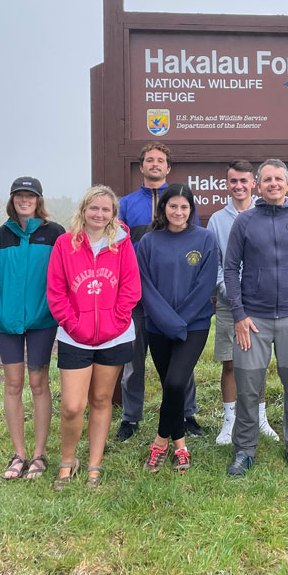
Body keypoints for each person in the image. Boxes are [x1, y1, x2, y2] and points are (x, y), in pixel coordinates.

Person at [223, 158, 288, 478]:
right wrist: (238, 314)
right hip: (253, 320)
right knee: (249, 386)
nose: (273, 184)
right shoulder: (245, 221)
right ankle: (244, 450)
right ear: (257, 184)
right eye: (267, 179)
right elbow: (229, 269)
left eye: (278, 179)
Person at [46, 186, 140, 489]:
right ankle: (67, 460)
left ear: (113, 214)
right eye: (93, 208)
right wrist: (73, 324)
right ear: (83, 210)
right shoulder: (65, 244)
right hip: (75, 337)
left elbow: (130, 288)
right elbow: (56, 291)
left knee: (101, 400)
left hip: (115, 336)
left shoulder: (122, 244)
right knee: (73, 405)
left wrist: (115, 322)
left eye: (105, 210)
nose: (99, 214)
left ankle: (94, 464)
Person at [115, 143, 201, 442]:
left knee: (181, 360)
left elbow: (196, 247)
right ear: (141, 167)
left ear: (168, 168)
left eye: (160, 160)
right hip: (136, 296)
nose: (155, 164)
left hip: (173, 297)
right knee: (133, 360)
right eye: (149, 160)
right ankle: (130, 418)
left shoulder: (181, 201)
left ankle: (187, 413)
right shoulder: (125, 204)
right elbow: (118, 247)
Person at [0, 176, 65, 481]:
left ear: (39, 200)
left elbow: (64, 273)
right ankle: (19, 453)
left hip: (43, 320)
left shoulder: (54, 233)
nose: (24, 200)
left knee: (38, 382)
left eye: (30, 195)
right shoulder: (0, 235)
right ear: (12, 199)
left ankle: (40, 454)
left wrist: (53, 307)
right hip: (7, 322)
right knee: (13, 383)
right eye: (19, 195)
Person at [137, 184, 218, 474]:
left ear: (191, 209)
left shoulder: (205, 239)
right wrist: (167, 321)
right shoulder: (148, 241)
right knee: (170, 386)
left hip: (193, 326)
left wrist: (179, 321)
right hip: (158, 326)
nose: (178, 212)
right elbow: (144, 286)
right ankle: (181, 445)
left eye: (184, 207)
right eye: (173, 206)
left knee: (174, 383)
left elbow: (205, 285)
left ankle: (160, 443)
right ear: (164, 209)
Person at [207, 160, 279, 445]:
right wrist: (231, 292)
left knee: (259, 364)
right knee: (231, 364)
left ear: (254, 184)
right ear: (227, 184)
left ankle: (260, 418)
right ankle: (230, 422)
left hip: (262, 304)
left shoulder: (267, 213)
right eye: (233, 181)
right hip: (229, 303)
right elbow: (215, 266)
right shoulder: (216, 220)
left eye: (244, 181)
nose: (238, 186)